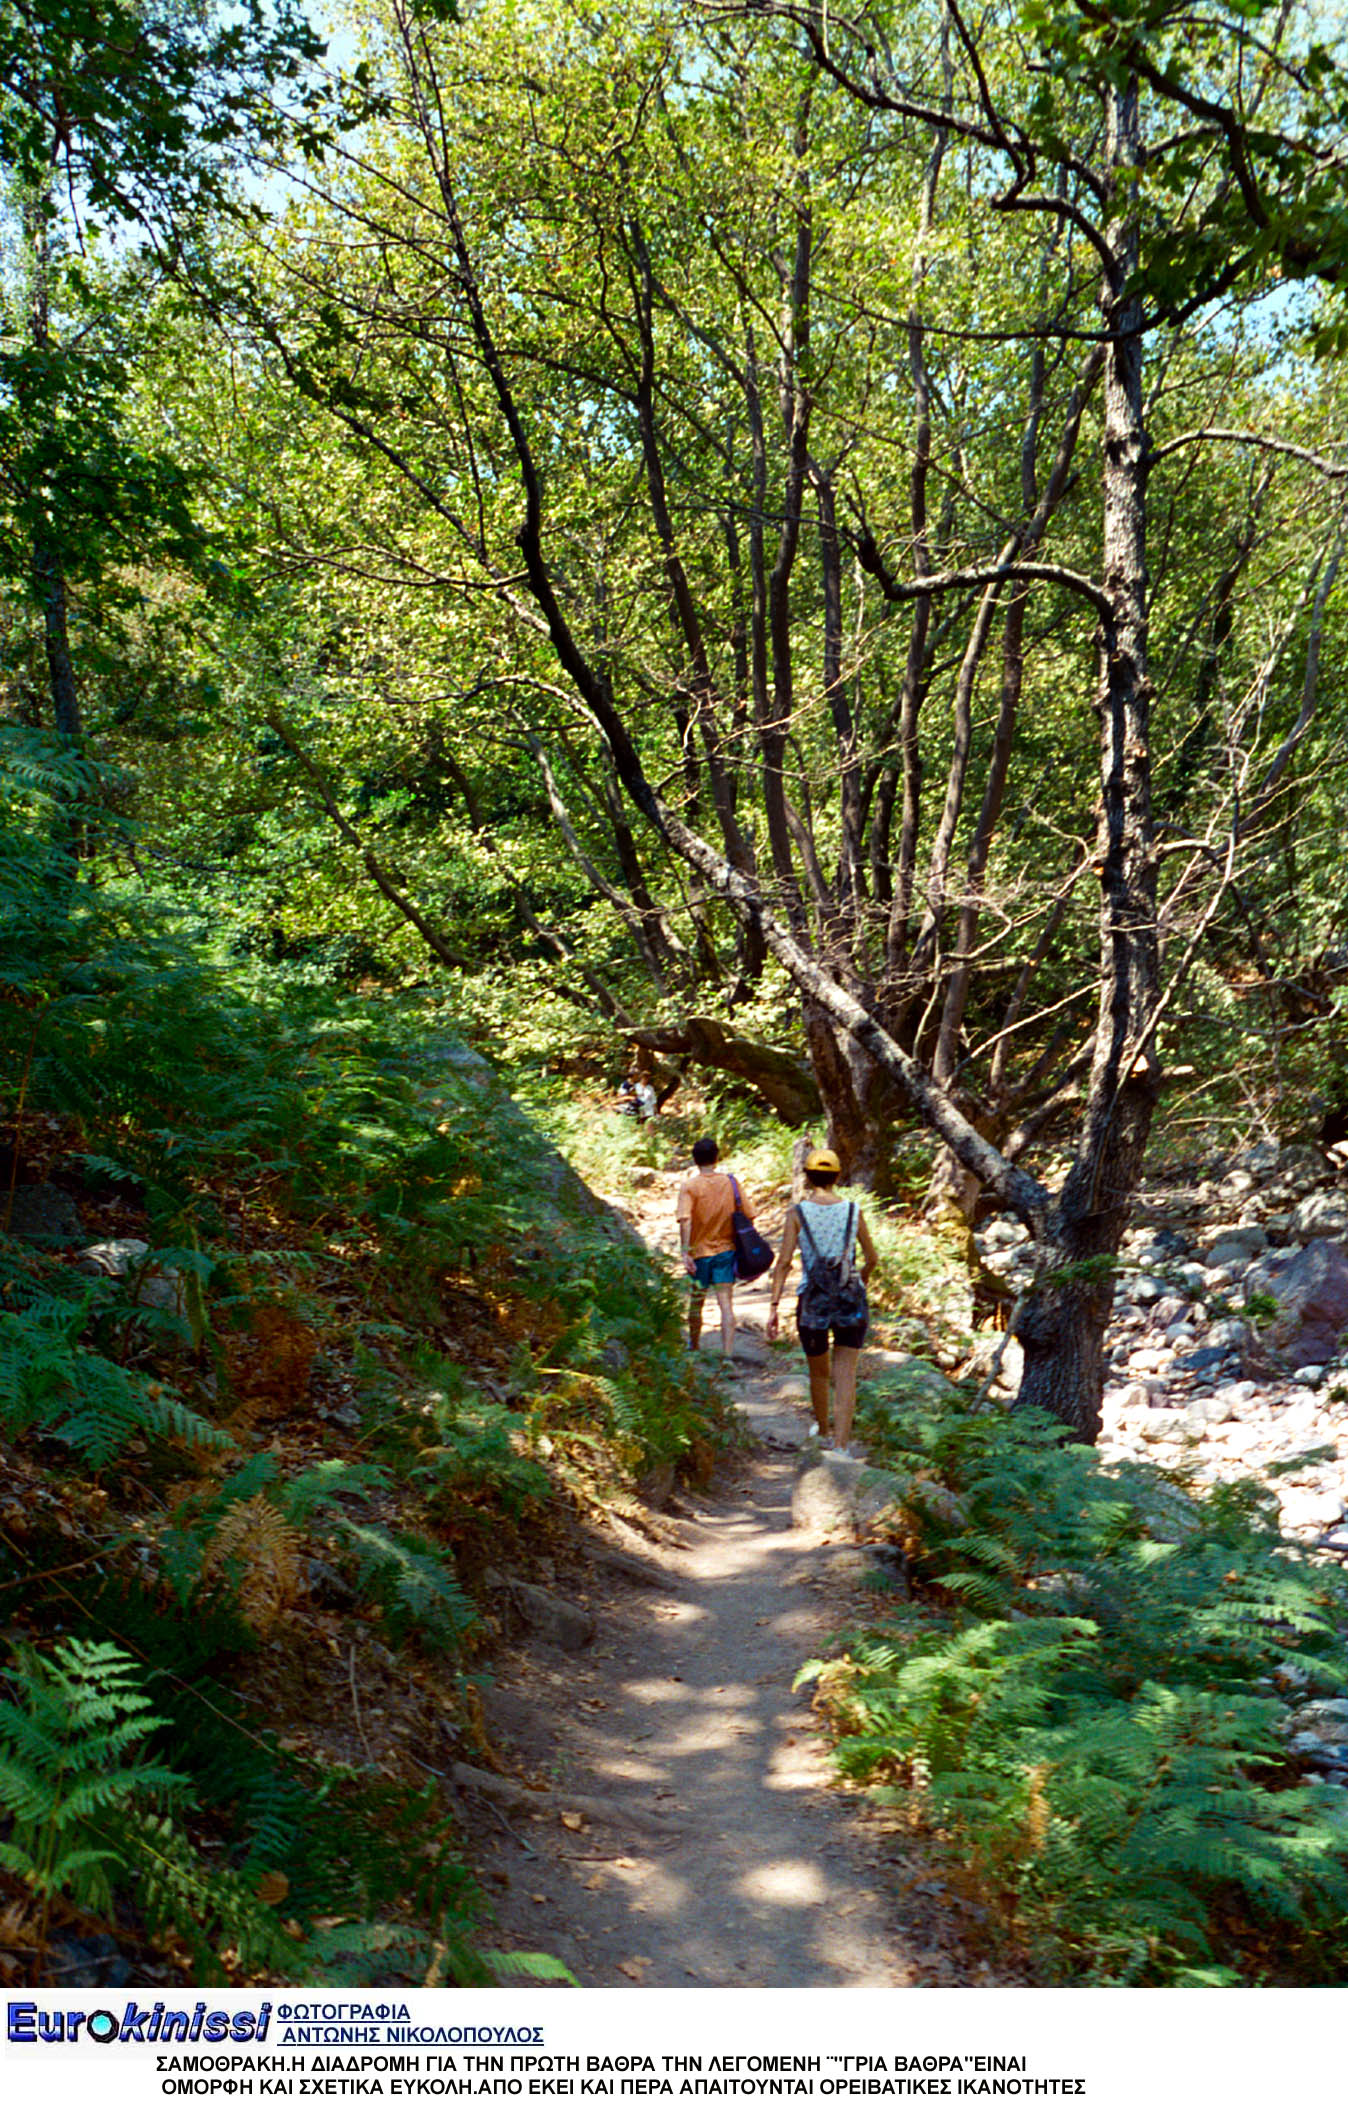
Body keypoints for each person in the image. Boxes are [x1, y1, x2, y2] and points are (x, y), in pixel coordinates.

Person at [765, 1146, 877, 1456]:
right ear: (838, 1176)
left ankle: (824, 1431)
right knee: (846, 1373)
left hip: (812, 1299)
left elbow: (784, 1262)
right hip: (849, 1299)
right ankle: (841, 1446)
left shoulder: (797, 1213)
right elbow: (871, 1257)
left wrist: (774, 1306)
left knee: (818, 1371)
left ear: (807, 1176)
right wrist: (860, 1280)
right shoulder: (854, 1211)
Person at [676, 1135, 753, 1358]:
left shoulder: (689, 1187)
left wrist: (685, 1252)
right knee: (725, 1303)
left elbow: (685, 1220)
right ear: (716, 1157)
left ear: (694, 1160)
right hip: (726, 1251)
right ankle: (727, 1355)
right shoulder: (731, 1182)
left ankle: (694, 1345)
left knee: (697, 1299)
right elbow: (749, 1214)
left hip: (700, 1253)